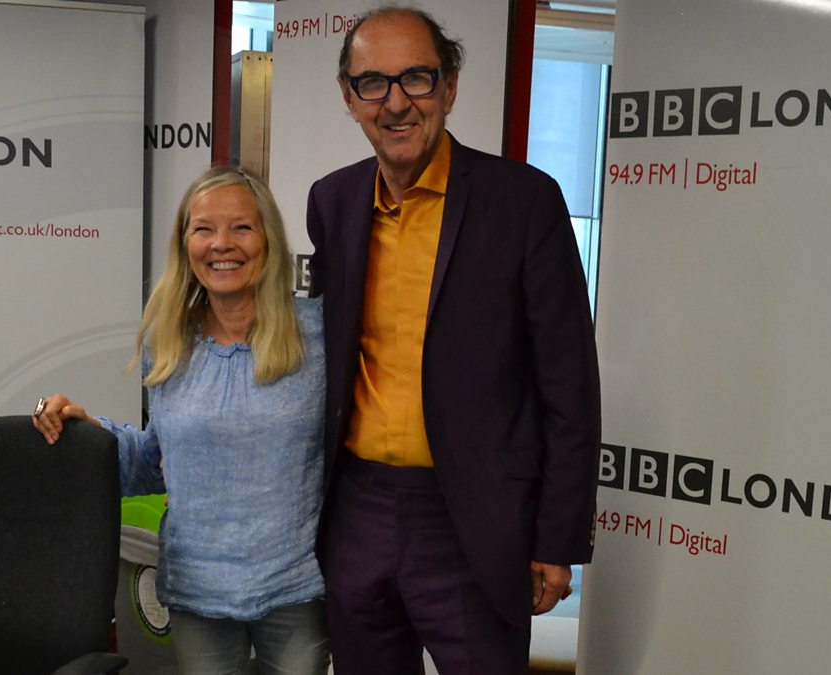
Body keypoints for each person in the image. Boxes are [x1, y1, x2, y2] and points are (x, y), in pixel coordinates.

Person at [305, 6, 601, 674]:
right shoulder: (333, 201)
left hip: (475, 521)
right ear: (349, 97)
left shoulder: (524, 201)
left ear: (450, 87)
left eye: (416, 77)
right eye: (373, 83)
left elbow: (569, 386)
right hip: (357, 512)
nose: (396, 103)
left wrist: (557, 537)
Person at [33, 166, 329, 675]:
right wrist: (87, 433)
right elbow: (157, 460)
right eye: (203, 229)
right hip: (198, 591)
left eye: (241, 227)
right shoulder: (169, 342)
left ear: (268, 239)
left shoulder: (319, 335)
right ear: (185, 244)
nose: (221, 244)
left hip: (296, 589)